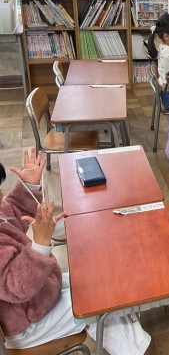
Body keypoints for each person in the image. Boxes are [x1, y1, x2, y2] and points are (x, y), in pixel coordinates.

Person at [0, 149, 150, 354]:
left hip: (39, 296)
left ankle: (132, 340)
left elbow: (12, 209)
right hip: (30, 325)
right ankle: (134, 347)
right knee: (103, 301)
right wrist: (41, 244)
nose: (2, 196)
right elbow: (17, 287)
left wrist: (29, 186)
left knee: (101, 282)